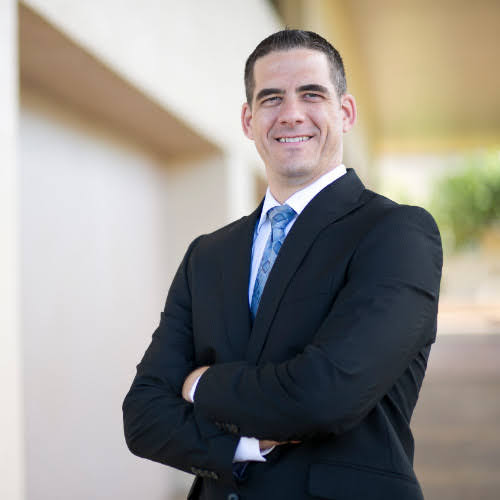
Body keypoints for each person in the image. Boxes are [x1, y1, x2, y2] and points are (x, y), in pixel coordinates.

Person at [123, 29, 442, 500]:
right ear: (248, 120)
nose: (291, 113)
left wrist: (200, 383)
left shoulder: (396, 234)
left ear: (345, 112)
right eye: (271, 98)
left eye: (311, 94)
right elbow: (143, 414)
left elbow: (325, 395)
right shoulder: (207, 255)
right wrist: (243, 446)